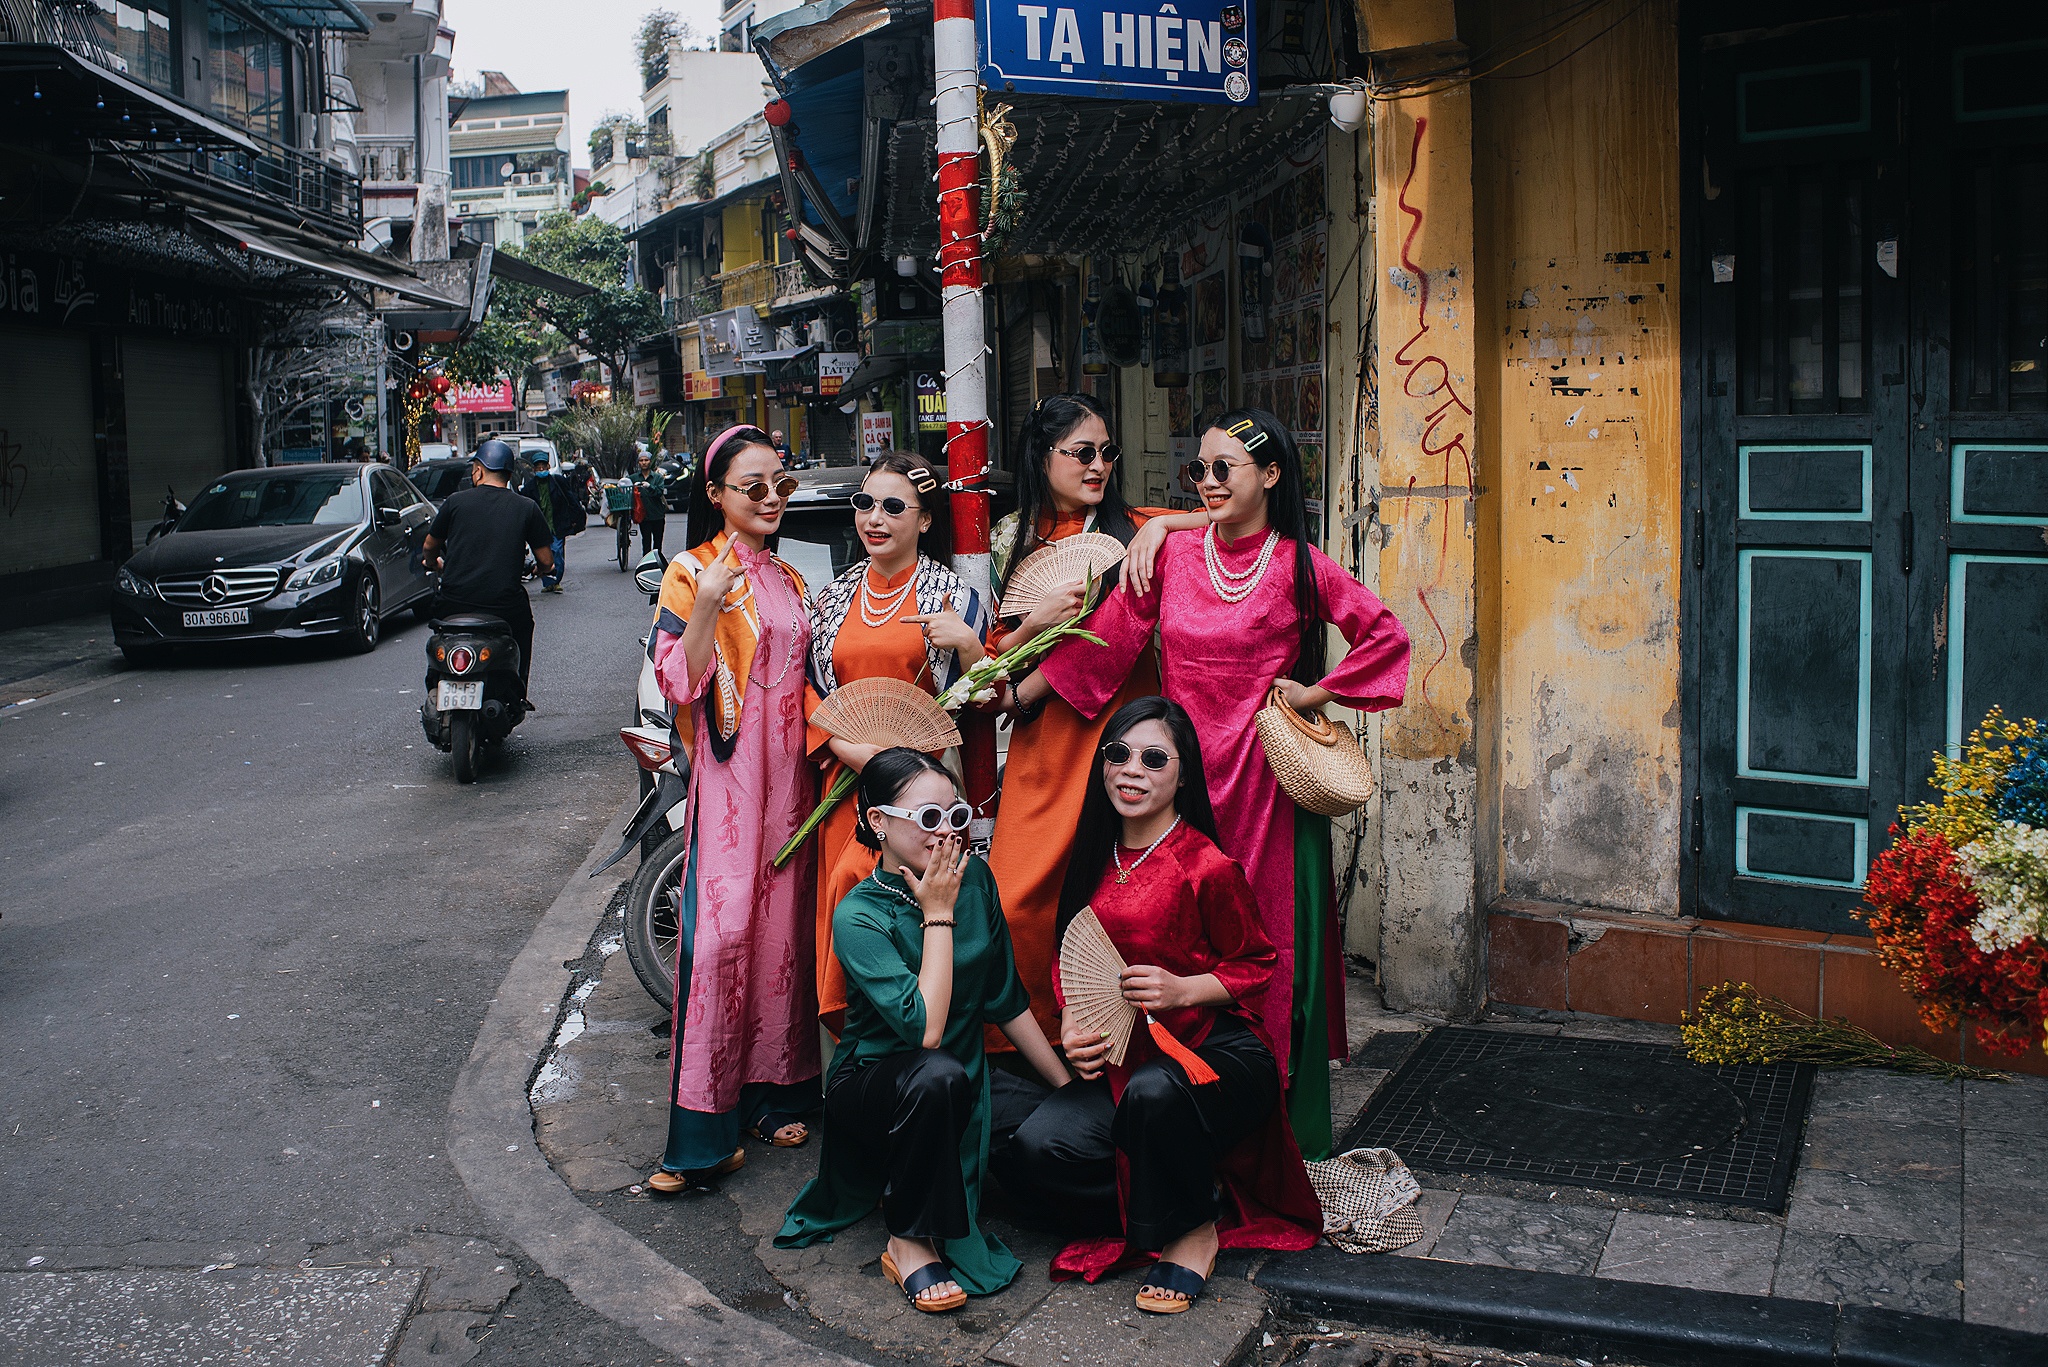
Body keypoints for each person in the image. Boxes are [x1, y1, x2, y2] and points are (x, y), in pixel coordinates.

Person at [1015, 408, 1411, 1160]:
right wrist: (1016, 691)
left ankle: (1271, 1126)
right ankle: (1170, 1104)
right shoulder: (1171, 553)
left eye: (1223, 468)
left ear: (1271, 475)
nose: (1206, 482)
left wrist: (1314, 694)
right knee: (1173, 938)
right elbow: (1110, 640)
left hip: (1264, 782)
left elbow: (1388, 636)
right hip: (1180, 778)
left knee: (1264, 944)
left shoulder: (1301, 564)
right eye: (1197, 469)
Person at [1002, 697, 1321, 1310]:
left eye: (1153, 759)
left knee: (1156, 1092)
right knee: (1036, 1150)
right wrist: (1073, 1021)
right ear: (1101, 768)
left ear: (1183, 774)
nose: (1132, 770)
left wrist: (1184, 988)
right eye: (1117, 754)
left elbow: (1258, 965)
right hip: (1125, 1066)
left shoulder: (1206, 864)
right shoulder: (1092, 858)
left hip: (1215, 1057)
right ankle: (1182, 1185)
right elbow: (1070, 958)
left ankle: (1193, 1227)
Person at [776, 749, 1071, 1311]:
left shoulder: (975, 878)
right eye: (927, 820)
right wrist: (937, 911)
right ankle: (908, 1238)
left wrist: (1066, 1088)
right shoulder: (860, 913)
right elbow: (925, 1029)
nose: (945, 837)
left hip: (966, 1079)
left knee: (1067, 1142)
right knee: (935, 1073)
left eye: (955, 818)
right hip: (880, 1086)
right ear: (879, 822)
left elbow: (1004, 998)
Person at [984, 395, 1208, 1045]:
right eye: (1082, 452)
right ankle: (1028, 1046)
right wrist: (1036, 620)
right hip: (1046, 740)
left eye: (1107, 452)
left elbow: (1225, 515)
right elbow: (987, 666)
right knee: (1018, 898)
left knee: (1118, 898)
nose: (1099, 465)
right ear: (1041, 455)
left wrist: (1164, 528)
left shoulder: (1134, 528)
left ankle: (1119, 1043)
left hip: (1125, 740)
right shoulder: (1009, 541)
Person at [644, 424, 819, 1192]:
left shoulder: (792, 578)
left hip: (795, 791)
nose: (773, 498)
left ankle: (774, 1090)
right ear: (716, 495)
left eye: (782, 484)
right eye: (755, 487)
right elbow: (678, 684)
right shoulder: (690, 573)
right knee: (719, 941)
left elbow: (811, 680)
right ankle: (701, 1129)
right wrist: (711, 604)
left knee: (784, 937)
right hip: (730, 791)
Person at [805, 451, 991, 1033]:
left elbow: (984, 699)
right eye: (864, 503)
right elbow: (809, 696)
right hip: (846, 785)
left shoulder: (954, 598)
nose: (874, 518)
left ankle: (929, 1045)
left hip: (925, 801)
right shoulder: (831, 598)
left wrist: (968, 646)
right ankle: (850, 1072)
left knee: (922, 913)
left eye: (892, 506)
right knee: (846, 915)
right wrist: (854, 752)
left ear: (926, 520)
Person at [421, 438, 555, 701]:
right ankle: (517, 693)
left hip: (453, 602)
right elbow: (547, 561)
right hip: (503, 605)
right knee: (523, 628)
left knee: (439, 636)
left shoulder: (455, 502)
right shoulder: (526, 507)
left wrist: (432, 563)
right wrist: (540, 570)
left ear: (479, 470)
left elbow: (429, 546)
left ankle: (437, 681)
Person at [520, 459, 570, 593]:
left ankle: (556, 580)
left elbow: (569, 500)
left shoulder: (558, 482)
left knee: (557, 552)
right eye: (538, 468)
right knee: (542, 555)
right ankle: (548, 583)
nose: (541, 470)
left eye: (543, 467)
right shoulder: (529, 488)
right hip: (539, 527)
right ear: (534, 469)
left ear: (548, 467)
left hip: (556, 524)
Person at [635, 451, 668, 556]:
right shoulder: (634, 478)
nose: (644, 462)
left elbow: (659, 492)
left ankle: (657, 563)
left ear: (650, 462)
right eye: (641, 460)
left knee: (657, 543)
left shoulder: (657, 478)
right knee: (646, 541)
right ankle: (646, 564)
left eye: (646, 460)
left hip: (657, 515)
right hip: (643, 516)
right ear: (638, 463)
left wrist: (650, 487)